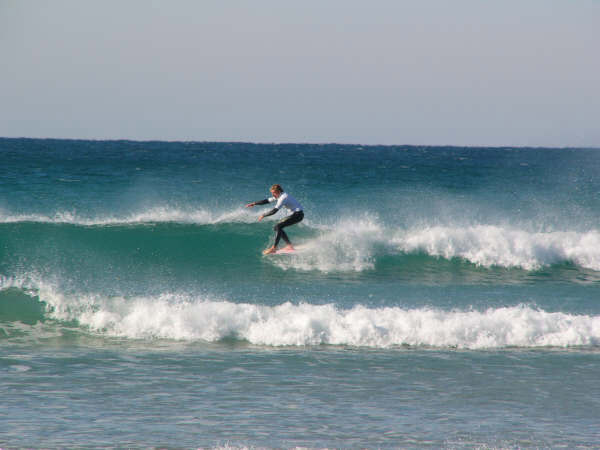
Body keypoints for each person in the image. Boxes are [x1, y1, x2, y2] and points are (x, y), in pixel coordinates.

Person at [246, 184, 304, 254]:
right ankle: (289, 245)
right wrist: (254, 203)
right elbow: (267, 200)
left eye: (274, 193)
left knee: (278, 226)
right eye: (272, 193)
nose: (273, 194)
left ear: (278, 191)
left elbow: (274, 211)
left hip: (298, 215)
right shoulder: (279, 195)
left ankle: (274, 248)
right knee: (277, 227)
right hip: (296, 214)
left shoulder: (283, 197)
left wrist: (263, 215)